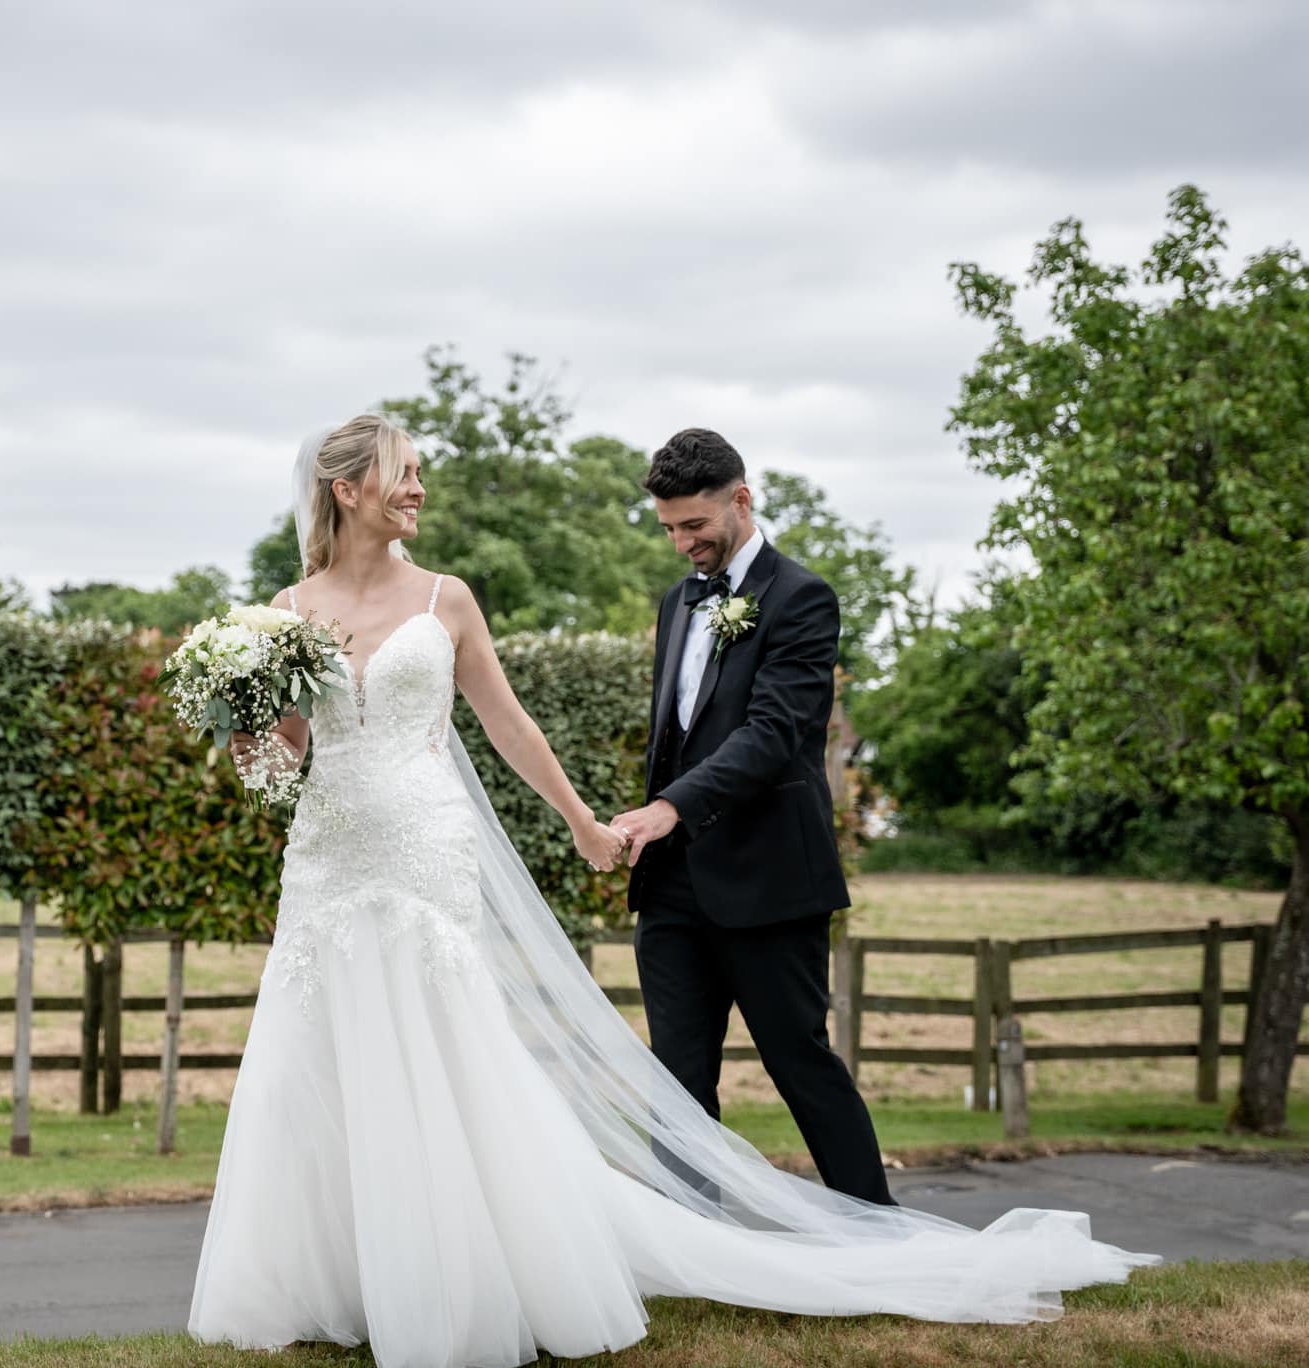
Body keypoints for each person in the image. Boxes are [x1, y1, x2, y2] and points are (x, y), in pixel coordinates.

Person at [187, 413, 1152, 1368]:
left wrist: (589, 821)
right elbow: (292, 757)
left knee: (737, 1056)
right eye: (402, 474)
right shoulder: (288, 609)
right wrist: (248, 733)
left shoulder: (454, 598)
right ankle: (348, 1275)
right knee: (339, 1058)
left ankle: (865, 1231)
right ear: (346, 487)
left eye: (420, 472)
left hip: (469, 854)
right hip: (333, 855)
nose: (419, 489)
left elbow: (539, 728)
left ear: (737, 502)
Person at [610, 427, 892, 1204]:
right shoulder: (677, 602)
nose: (681, 544)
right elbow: (677, 734)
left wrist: (669, 807)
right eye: (668, 529)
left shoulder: (802, 598)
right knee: (675, 1077)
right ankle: (694, 1240)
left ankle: (879, 1228)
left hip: (769, 880)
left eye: (694, 526)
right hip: (672, 889)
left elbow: (774, 736)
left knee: (799, 1062)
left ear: (741, 499)